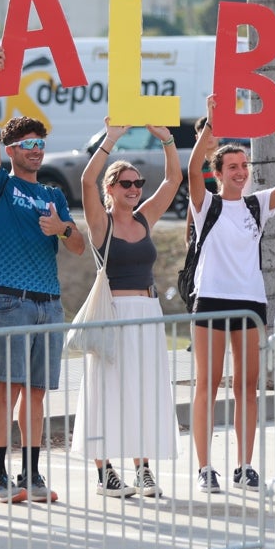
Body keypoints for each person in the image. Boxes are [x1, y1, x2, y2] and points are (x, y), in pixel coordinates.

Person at [0, 46, 86, 503]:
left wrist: (63, 227)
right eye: (28, 145)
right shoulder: (0, 184)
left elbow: (80, 247)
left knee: (38, 394)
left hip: (49, 303)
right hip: (13, 300)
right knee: (9, 389)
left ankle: (32, 476)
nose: (37, 151)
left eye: (41, 145)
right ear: (11, 151)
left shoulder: (52, 194)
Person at [189, 95, 275, 494]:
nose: (241, 172)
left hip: (251, 303)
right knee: (208, 383)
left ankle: (244, 466)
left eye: (244, 166)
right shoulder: (208, 204)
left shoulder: (258, 204)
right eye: (233, 167)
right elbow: (191, 170)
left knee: (246, 386)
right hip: (211, 300)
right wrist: (210, 125)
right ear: (218, 173)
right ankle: (205, 468)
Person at [72, 117, 182, 498]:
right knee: (106, 390)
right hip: (113, 314)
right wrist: (111, 139)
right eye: (126, 184)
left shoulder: (144, 218)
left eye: (138, 184)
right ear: (111, 188)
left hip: (148, 314)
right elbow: (86, 182)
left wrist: (167, 139)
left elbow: (172, 182)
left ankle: (143, 469)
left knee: (144, 391)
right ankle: (104, 471)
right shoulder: (100, 224)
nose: (135, 189)